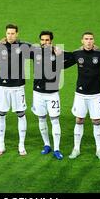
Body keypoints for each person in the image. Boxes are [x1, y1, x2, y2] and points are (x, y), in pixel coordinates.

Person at [64, 31, 100, 160]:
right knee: (79, 120)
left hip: (95, 94)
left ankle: (99, 150)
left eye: (91, 39)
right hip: (80, 94)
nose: (89, 41)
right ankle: (76, 148)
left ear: (94, 41)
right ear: (82, 41)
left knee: (97, 121)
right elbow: (63, 65)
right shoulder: (77, 54)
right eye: (86, 39)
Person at [0, 24, 31, 156]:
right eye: (8, 33)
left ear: (17, 34)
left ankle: (21, 145)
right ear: (5, 33)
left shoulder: (23, 46)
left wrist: (53, 48)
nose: (10, 36)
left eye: (13, 33)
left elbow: (40, 49)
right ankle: (1, 145)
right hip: (2, 87)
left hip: (18, 87)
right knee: (1, 114)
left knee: (21, 114)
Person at [30, 30, 67, 160]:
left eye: (47, 40)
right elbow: (18, 48)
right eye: (42, 40)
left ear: (51, 41)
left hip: (52, 94)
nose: (45, 42)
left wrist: (60, 56)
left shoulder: (57, 52)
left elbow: (74, 58)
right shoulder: (35, 52)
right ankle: (47, 145)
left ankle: (56, 148)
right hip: (38, 93)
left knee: (54, 120)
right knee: (41, 119)